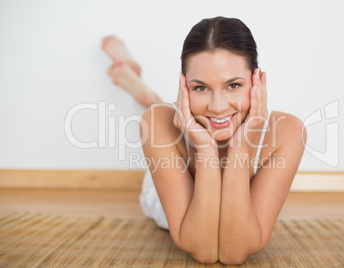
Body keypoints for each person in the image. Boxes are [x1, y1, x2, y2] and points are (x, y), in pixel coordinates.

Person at [102, 17, 307, 265]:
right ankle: (147, 96)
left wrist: (240, 147)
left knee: (162, 112)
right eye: (200, 88)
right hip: (167, 177)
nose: (218, 107)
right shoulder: (157, 124)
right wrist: (205, 148)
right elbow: (204, 251)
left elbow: (233, 252)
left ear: (256, 82)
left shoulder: (287, 132)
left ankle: (145, 92)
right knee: (156, 115)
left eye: (233, 85)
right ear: (184, 87)